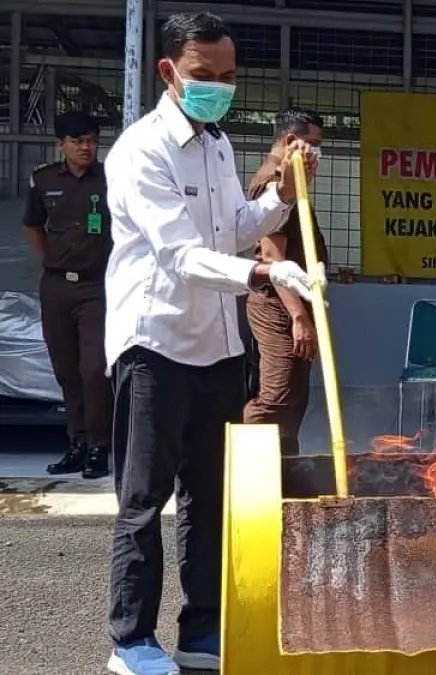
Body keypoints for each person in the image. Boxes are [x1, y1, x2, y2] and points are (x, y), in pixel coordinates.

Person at [102, 12, 319, 675]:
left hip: (218, 349)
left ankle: (201, 630)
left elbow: (234, 225)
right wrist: (265, 270)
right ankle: (131, 639)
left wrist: (283, 191)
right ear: (169, 72)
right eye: (205, 77)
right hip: (156, 344)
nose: (219, 88)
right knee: (144, 498)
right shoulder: (140, 151)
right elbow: (180, 255)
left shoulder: (218, 145)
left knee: (208, 494)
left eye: (228, 77)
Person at [24, 111, 113, 479]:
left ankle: (99, 447)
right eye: (77, 141)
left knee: (94, 369)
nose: (86, 148)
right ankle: (76, 443)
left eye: (92, 140)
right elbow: (33, 225)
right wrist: (52, 261)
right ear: (61, 144)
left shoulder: (110, 179)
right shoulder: (44, 179)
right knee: (66, 369)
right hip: (58, 285)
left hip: (97, 286)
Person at [242, 108, 327, 456]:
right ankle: (249, 474)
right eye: (313, 144)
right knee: (274, 398)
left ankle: (284, 470)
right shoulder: (273, 185)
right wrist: (299, 318)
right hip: (279, 306)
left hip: (295, 304)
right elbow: (273, 259)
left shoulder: (292, 183)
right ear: (291, 141)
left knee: (293, 397)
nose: (318, 153)